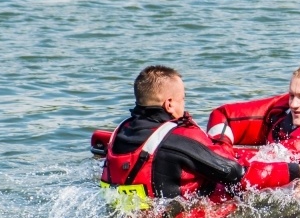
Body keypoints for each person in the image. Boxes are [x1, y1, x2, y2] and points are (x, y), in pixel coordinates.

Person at [99, 65, 245, 207]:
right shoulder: (177, 140)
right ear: (169, 104)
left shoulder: (120, 132)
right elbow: (233, 172)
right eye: (182, 99)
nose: (184, 104)